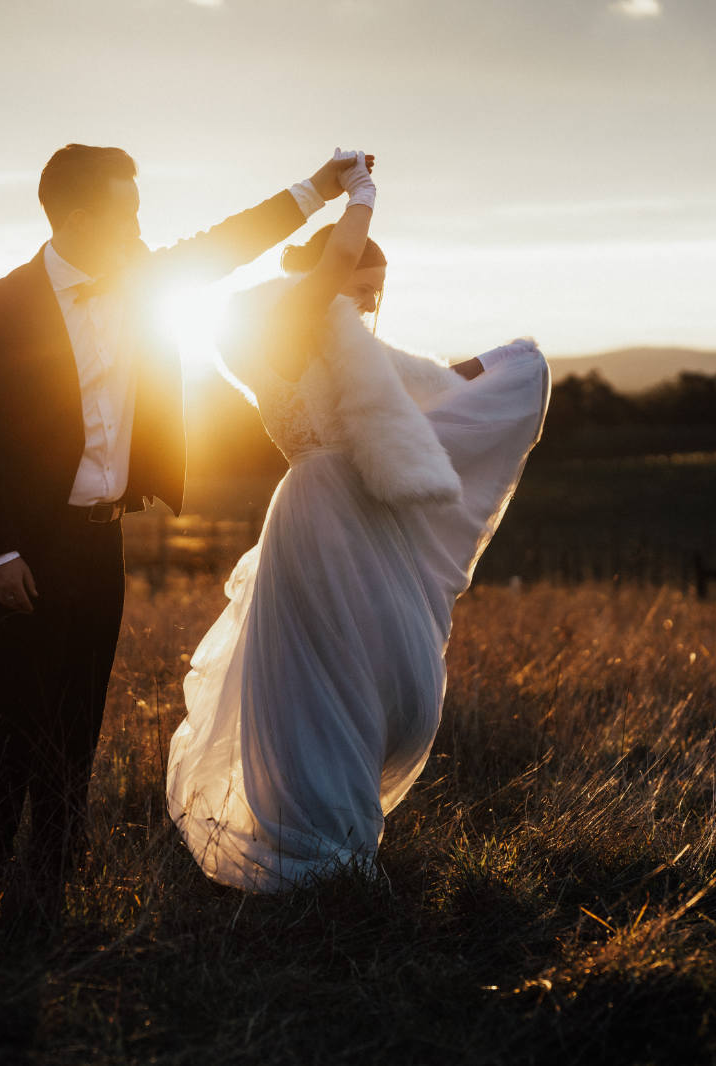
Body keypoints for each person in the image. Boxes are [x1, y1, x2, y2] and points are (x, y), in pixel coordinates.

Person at [0, 143, 370, 928]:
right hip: (25, 554)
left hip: (101, 545)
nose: (141, 225)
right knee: (10, 721)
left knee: (77, 721)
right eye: (127, 211)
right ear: (78, 218)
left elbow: (228, 241)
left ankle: (50, 889)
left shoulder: (141, 280)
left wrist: (319, 188)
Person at [165, 153, 552, 892]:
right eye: (359, 289)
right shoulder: (273, 326)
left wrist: (509, 362)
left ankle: (346, 840)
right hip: (318, 517)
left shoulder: (350, 346)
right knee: (323, 680)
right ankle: (323, 853)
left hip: (373, 519)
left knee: (385, 672)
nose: (368, 306)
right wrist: (360, 197)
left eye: (376, 295)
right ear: (326, 278)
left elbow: (435, 388)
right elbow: (337, 258)